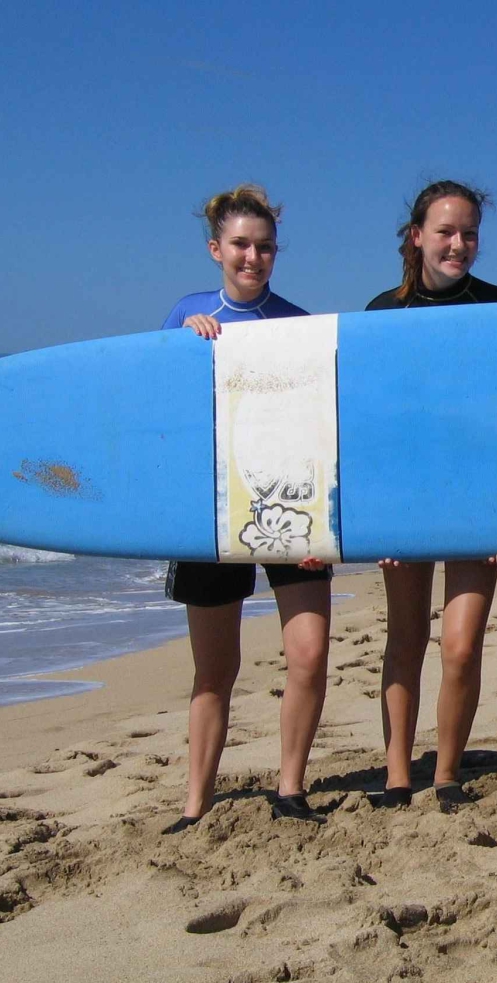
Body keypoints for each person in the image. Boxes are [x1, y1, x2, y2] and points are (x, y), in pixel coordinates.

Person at [162, 184, 333, 832]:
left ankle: (290, 788)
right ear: (215, 249)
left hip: (289, 499)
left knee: (309, 653)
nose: (252, 257)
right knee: (215, 669)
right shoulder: (187, 316)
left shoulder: (297, 322)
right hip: (210, 509)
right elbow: (162, 410)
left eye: (263, 247)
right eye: (240, 245)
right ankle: (194, 803)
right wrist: (184, 344)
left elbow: (319, 420)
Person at [366, 180, 497, 810]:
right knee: (405, 638)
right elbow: (371, 427)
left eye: (470, 233)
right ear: (417, 236)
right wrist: (376, 524)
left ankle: (447, 774)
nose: (459, 244)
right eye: (446, 232)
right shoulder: (381, 313)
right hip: (407, 504)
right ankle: (398, 775)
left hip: (478, 500)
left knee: (460, 645)